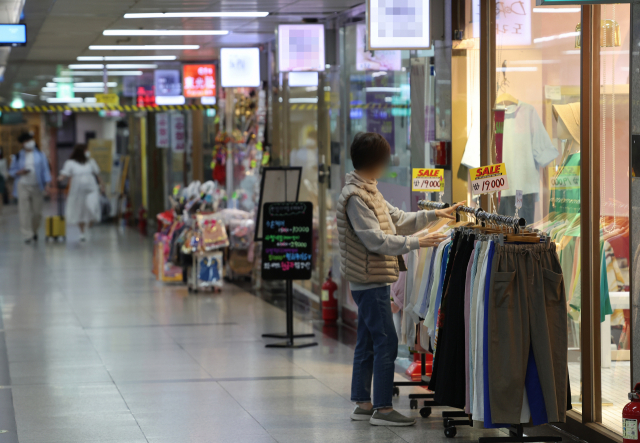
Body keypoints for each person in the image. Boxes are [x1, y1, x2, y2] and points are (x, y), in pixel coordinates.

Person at [337, 132, 460, 427]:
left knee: (368, 341)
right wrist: (417, 243)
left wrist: (435, 214)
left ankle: (363, 403)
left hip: (372, 278)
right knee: (386, 342)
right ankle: (382, 408)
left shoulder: (368, 190)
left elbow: (397, 219)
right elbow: (375, 240)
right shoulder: (356, 197)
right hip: (370, 281)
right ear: (375, 161)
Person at [9, 132, 51, 243]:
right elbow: (12, 171)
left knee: (37, 213)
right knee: (24, 211)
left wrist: (47, 183)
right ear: (23, 144)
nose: (29, 143)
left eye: (30, 140)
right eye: (27, 141)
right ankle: (27, 235)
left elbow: (45, 170)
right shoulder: (18, 156)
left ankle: (34, 231)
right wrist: (19, 172)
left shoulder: (40, 155)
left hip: (37, 186)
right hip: (22, 185)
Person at [58, 144, 101, 242]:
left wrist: (101, 185)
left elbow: (97, 174)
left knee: (92, 206)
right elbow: (65, 173)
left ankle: (90, 221)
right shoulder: (70, 163)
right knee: (79, 210)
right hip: (77, 190)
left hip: (91, 188)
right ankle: (82, 232)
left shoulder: (91, 162)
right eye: (86, 150)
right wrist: (59, 178)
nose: (87, 152)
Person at [0, 148, 8, 216]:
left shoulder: (3, 161)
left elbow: (5, 171)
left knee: (0, 195)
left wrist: (5, 179)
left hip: (1, 178)